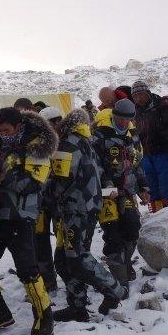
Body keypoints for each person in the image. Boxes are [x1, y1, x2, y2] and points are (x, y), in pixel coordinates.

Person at [0, 107, 58, 335]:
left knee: (27, 270)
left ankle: (44, 316)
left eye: (6, 130)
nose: (2, 134)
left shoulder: (38, 145)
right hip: (0, 213)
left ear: (19, 126)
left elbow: (33, 184)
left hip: (23, 216)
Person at [47, 109, 127, 321]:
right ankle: (77, 306)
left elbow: (59, 183)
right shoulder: (82, 140)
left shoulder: (67, 144)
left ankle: (114, 290)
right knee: (64, 259)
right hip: (80, 207)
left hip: (77, 209)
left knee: (78, 257)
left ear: (55, 124)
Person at [93, 99, 149, 296]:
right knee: (113, 235)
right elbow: (95, 165)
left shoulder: (132, 136)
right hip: (107, 195)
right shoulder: (100, 135)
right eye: (120, 118)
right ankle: (119, 279)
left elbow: (137, 163)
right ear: (113, 115)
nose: (123, 123)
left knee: (133, 228)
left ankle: (125, 264)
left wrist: (143, 187)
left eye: (128, 119)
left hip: (127, 192)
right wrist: (107, 184)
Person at [131, 80, 168, 212]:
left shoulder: (162, 105)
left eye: (141, 94)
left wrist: (166, 133)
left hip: (164, 151)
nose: (139, 98)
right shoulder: (134, 111)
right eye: (136, 96)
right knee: (152, 189)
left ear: (148, 93)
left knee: (167, 188)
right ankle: (159, 216)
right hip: (145, 155)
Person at [33, 107, 64, 293]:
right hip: (41, 201)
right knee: (39, 241)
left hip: (60, 200)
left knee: (62, 241)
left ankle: (70, 278)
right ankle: (47, 280)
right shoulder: (37, 143)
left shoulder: (69, 141)